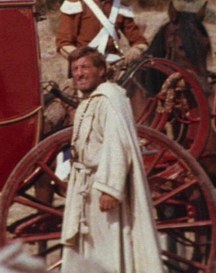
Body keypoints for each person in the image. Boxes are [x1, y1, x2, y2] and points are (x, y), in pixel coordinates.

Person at [60, 46, 165, 273]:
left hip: (102, 187)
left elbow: (117, 144)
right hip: (87, 187)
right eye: (75, 69)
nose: (79, 74)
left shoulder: (110, 99)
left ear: (101, 70)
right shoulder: (91, 101)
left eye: (85, 67)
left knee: (106, 249)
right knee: (93, 248)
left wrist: (110, 189)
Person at [55, 0, 147, 66]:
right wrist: (88, 63)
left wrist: (136, 50)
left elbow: (139, 41)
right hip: (84, 67)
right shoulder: (76, 4)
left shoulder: (121, 8)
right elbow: (63, 44)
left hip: (115, 66)